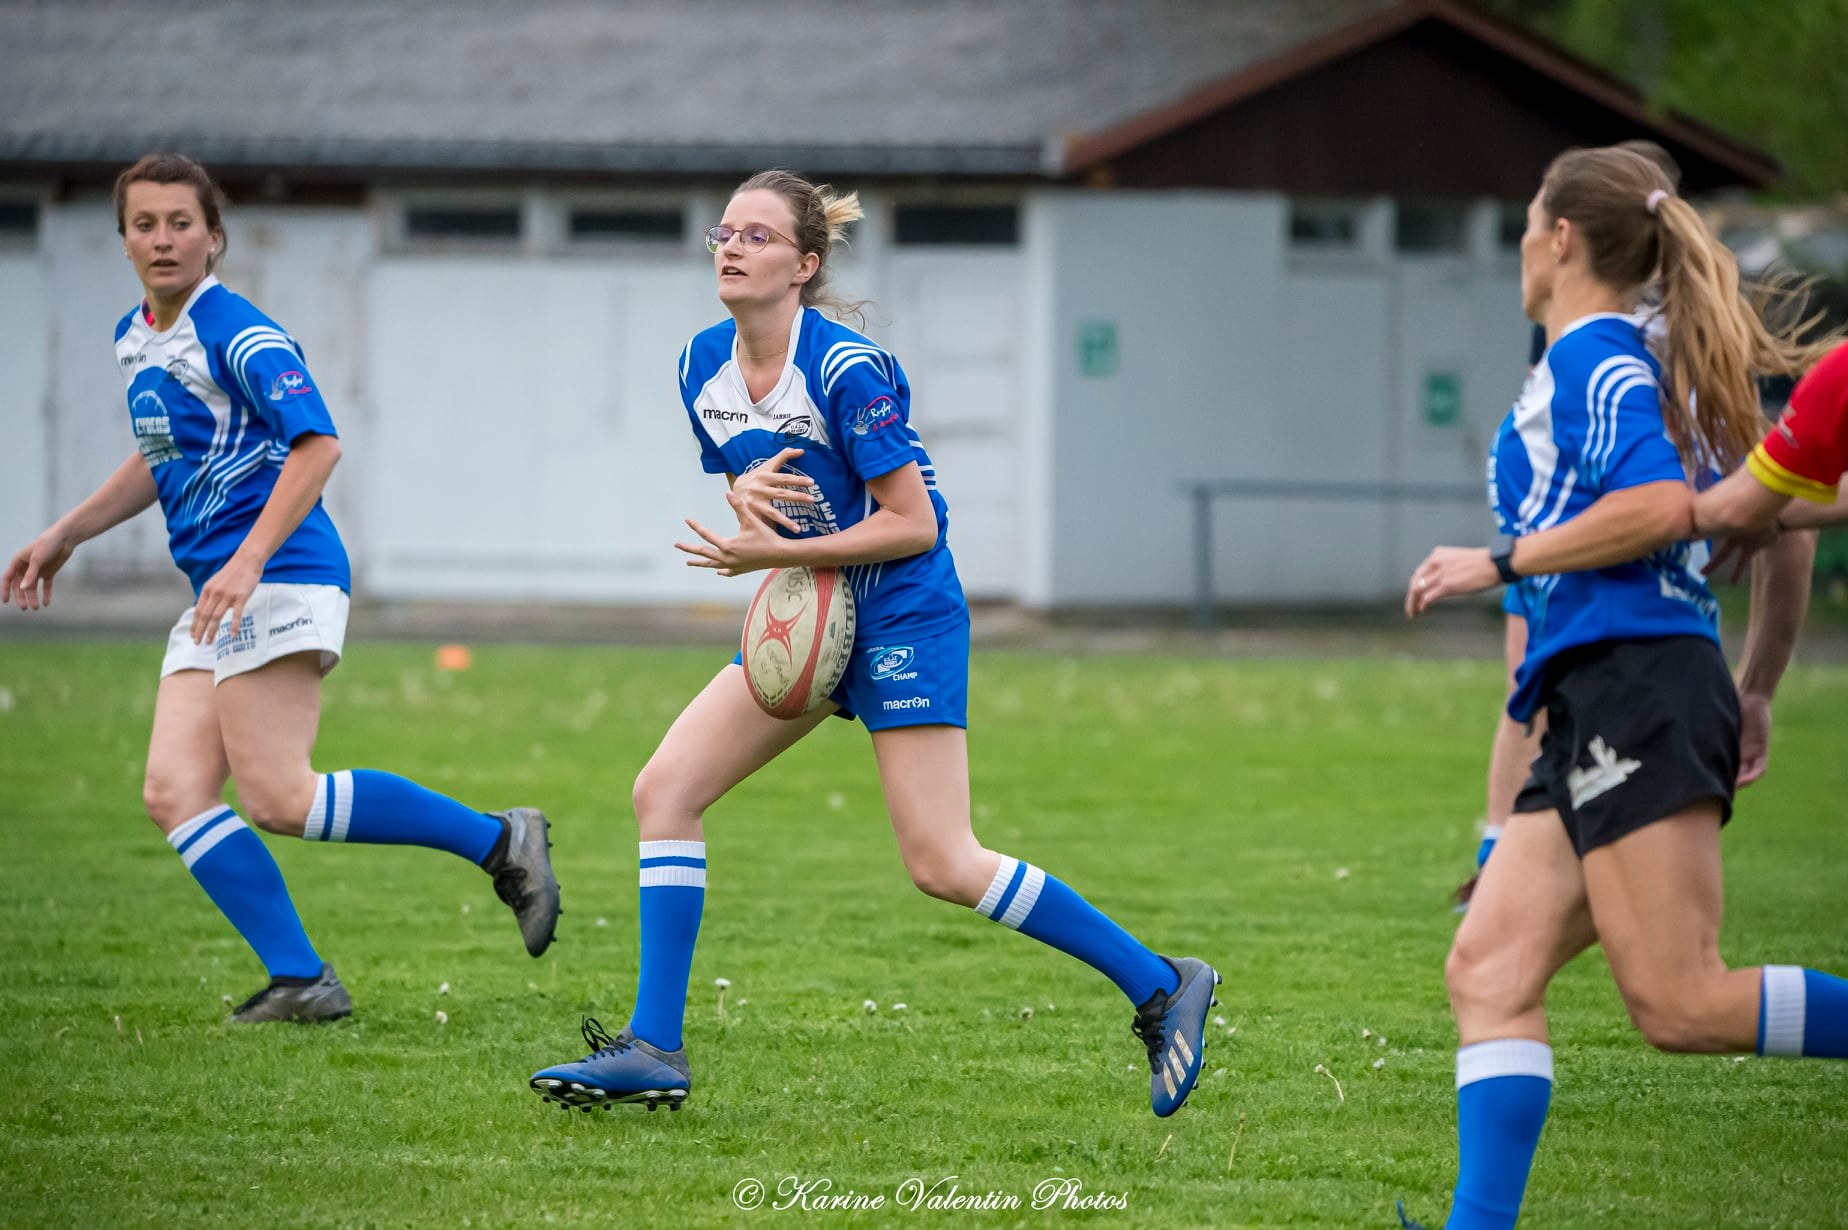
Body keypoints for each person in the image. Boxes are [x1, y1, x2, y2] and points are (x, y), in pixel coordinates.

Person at [527, 169, 1219, 1116]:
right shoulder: (700, 364)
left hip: (901, 607)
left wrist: (769, 551)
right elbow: (754, 477)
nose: (731, 246)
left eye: (758, 237)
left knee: (941, 860)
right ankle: (656, 1047)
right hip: (813, 608)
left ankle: (1161, 985)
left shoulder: (847, 368)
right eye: (724, 232)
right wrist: (750, 508)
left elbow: (915, 522)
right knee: (666, 790)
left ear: (804, 266)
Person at [1, 153, 560, 1023]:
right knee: (174, 792)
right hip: (222, 588)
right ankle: (302, 979)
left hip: (280, 572)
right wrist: (64, 533)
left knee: (279, 798)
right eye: (143, 224)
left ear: (214, 238)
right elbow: (164, 460)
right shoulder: (136, 337)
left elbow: (318, 444)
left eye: (180, 222)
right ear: (123, 241)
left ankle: (500, 840)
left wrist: (251, 558)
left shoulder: (241, 333)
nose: (162, 238)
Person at [1400, 144, 1846, 1229]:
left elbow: (1658, 509)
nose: (1517, 244)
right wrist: (1755, 686)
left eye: (1525, 223)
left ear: (1561, 241)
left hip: (1637, 687)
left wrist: (1496, 563)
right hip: (1616, 694)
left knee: (1682, 1002)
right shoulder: (1652, 363)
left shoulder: (1597, 363)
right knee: (1490, 969)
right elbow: (1779, 520)